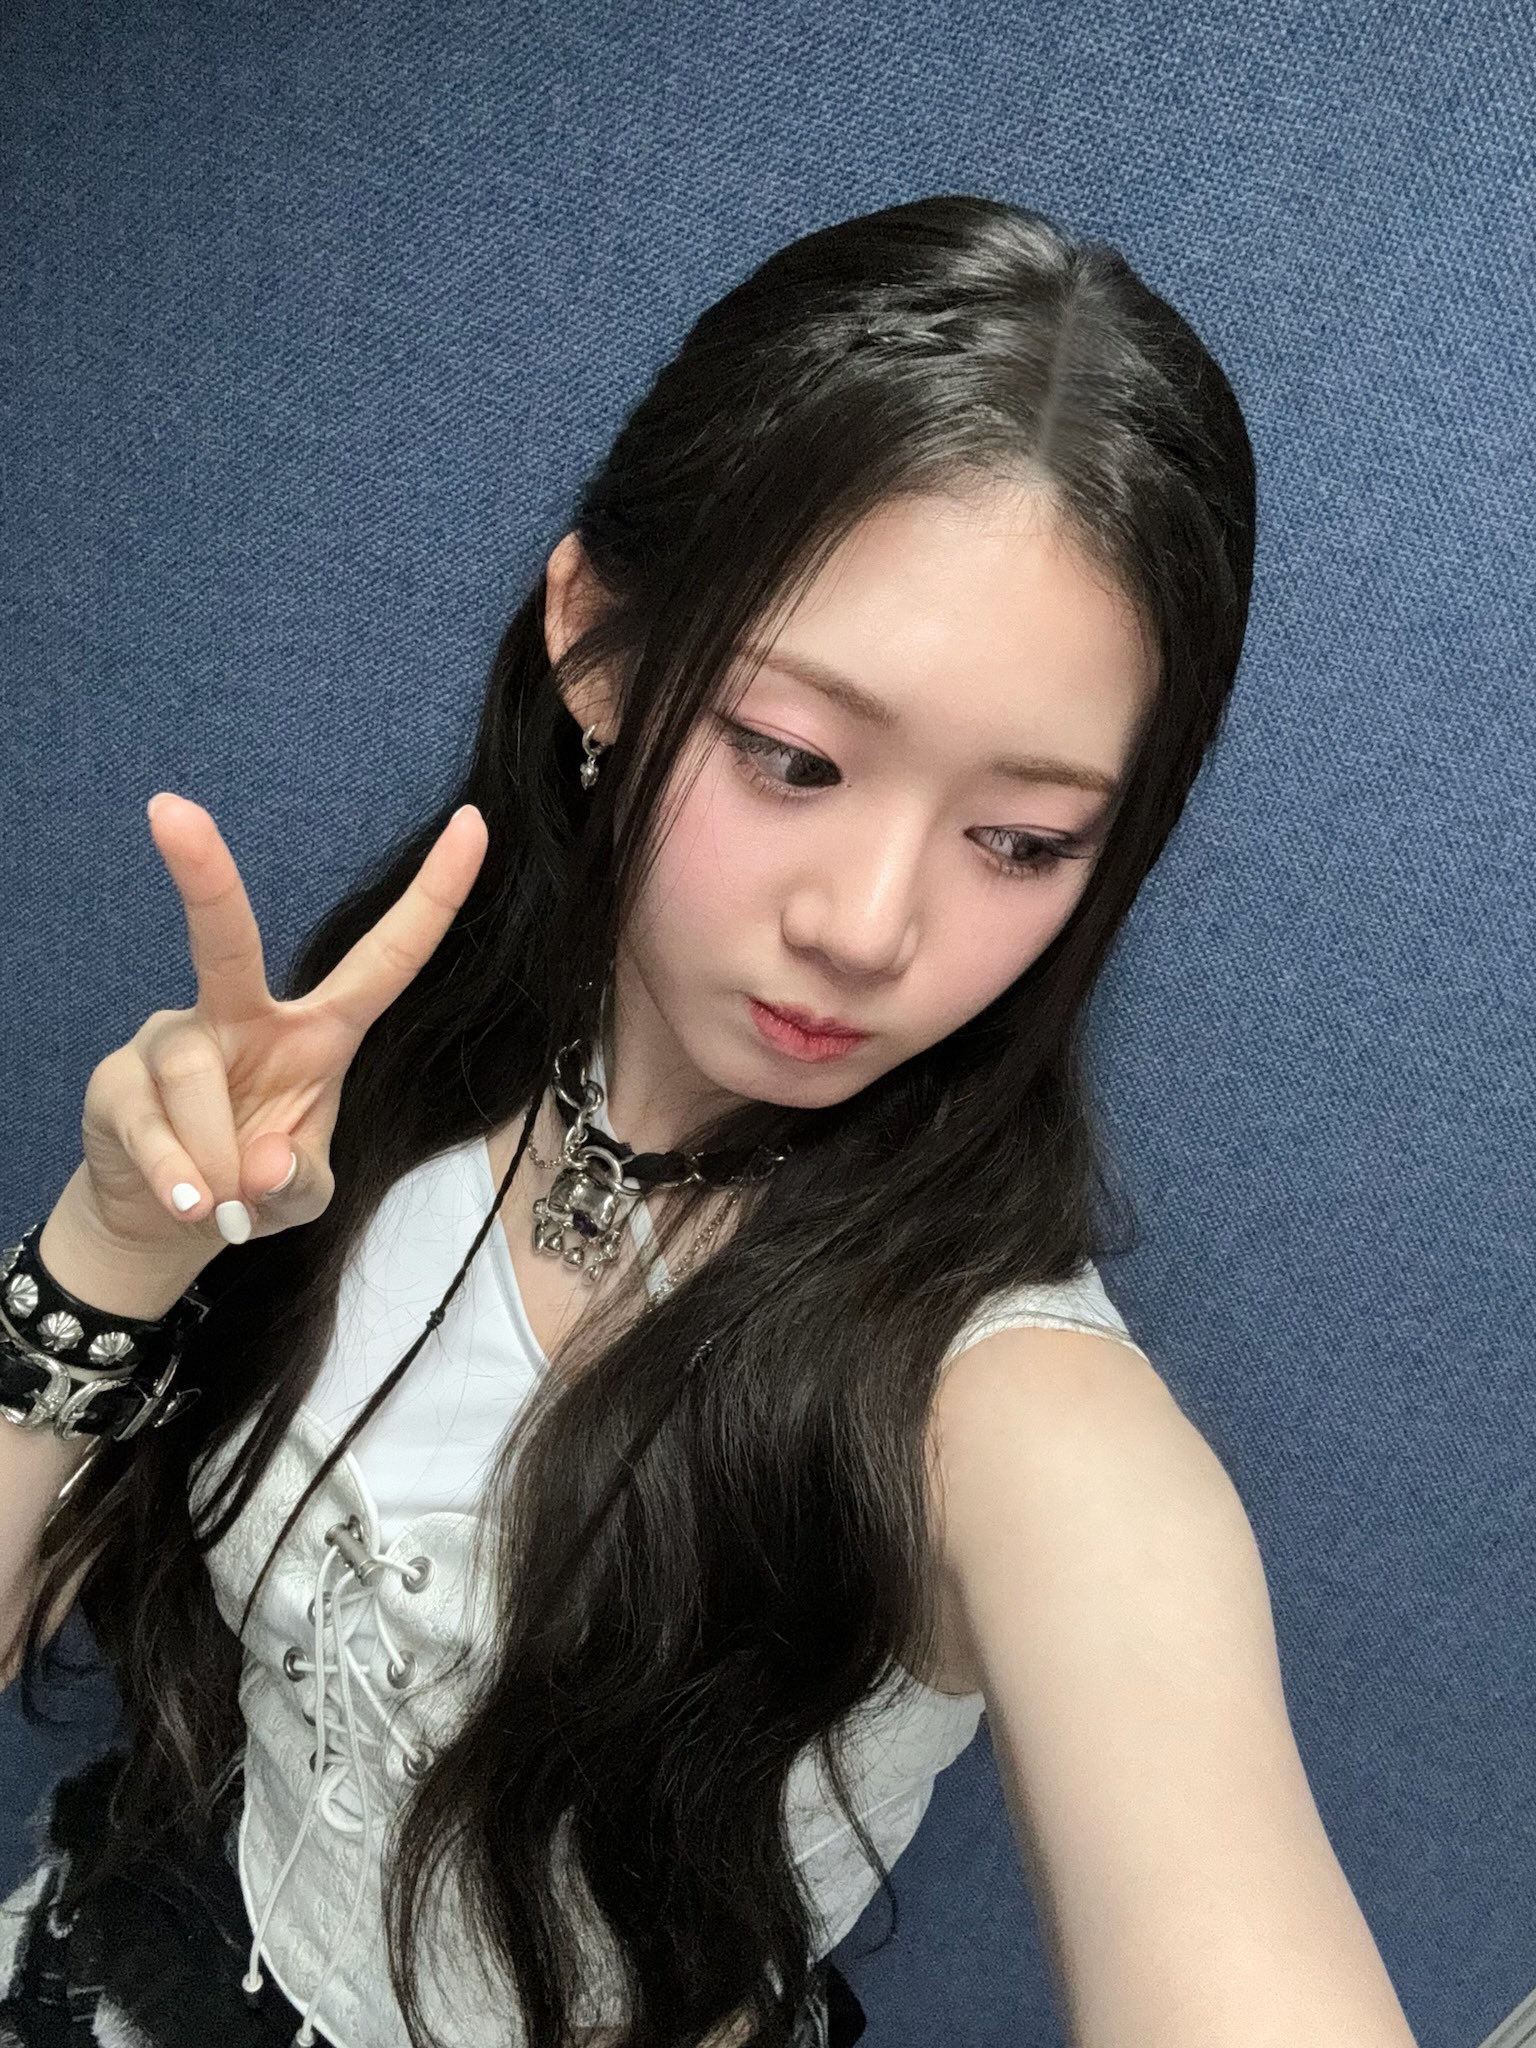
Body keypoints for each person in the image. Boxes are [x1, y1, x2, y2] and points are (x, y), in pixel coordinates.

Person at [0, 193, 1417, 2048]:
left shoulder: (1005, 1414)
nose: (870, 926)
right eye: (794, 757)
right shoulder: (396, 1047)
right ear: (597, 648)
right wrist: (115, 1247)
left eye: (1021, 840)